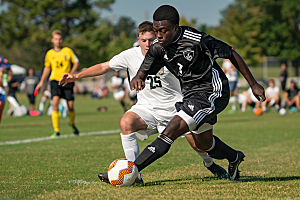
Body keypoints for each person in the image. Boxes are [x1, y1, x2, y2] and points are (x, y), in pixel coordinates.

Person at [59, 21, 228, 184]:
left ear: (157, 38)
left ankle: (209, 163)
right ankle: (134, 175)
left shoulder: (170, 52)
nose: (147, 44)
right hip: (147, 109)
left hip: (176, 109)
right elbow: (104, 67)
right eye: (143, 40)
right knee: (126, 122)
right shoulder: (129, 55)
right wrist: (75, 76)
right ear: (138, 39)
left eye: (151, 40)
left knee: (199, 144)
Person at [129, 5, 266, 181]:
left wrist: (253, 84)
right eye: (156, 31)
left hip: (212, 91)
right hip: (190, 95)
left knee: (171, 130)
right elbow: (143, 71)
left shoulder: (196, 39)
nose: (159, 35)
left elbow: (230, 53)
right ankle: (234, 157)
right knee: (204, 144)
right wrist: (137, 78)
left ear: (176, 28)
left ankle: (131, 171)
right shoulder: (158, 48)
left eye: (163, 30)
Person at [35, 30, 80, 137]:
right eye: (56, 39)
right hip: (55, 80)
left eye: (60, 39)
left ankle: (72, 123)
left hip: (67, 80)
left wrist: (71, 74)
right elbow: (47, 68)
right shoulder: (49, 54)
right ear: (52, 40)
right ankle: (56, 130)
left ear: (62, 40)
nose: (58, 41)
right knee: (55, 102)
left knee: (70, 106)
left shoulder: (67, 51)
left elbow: (76, 62)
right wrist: (41, 81)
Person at [0, 56, 13, 123]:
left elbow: (9, 68)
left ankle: (11, 109)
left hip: (2, 89)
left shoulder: (2, 59)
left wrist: (10, 76)